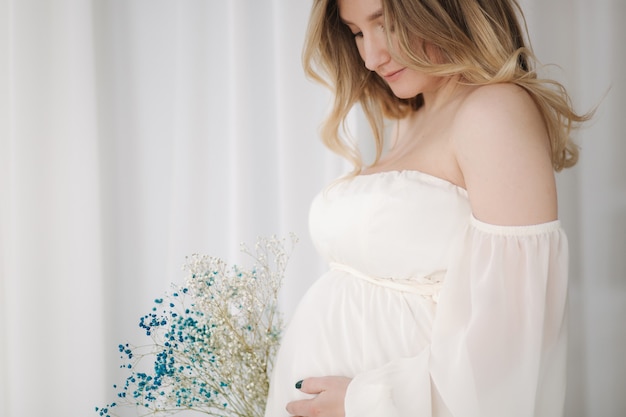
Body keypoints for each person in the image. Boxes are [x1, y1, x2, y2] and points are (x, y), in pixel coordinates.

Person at [264, 0, 590, 416]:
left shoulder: (493, 111)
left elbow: (514, 336)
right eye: (357, 33)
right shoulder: (409, 116)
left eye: (387, 24)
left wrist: (366, 402)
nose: (371, 57)